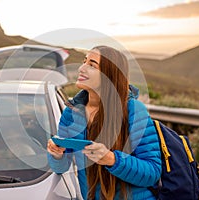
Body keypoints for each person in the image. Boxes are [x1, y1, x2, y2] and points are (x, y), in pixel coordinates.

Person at [47, 45, 161, 200]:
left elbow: (152, 173)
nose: (82, 68)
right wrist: (56, 155)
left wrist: (111, 159)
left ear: (109, 75)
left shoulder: (133, 110)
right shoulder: (71, 112)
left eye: (92, 65)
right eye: (84, 61)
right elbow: (60, 168)